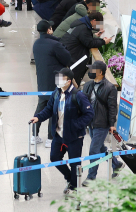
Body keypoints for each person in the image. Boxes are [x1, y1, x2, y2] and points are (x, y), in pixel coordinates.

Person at [30, 67, 93, 195]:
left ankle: (74, 187)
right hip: (59, 135)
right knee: (55, 158)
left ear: (68, 81)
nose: (58, 80)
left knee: (74, 162)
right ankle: (70, 178)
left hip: (74, 136)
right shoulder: (56, 93)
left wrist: (76, 125)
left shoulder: (78, 95)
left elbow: (89, 114)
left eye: (61, 78)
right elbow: (49, 109)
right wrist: (38, 117)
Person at [82, 61, 124, 185]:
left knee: (93, 150)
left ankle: (91, 177)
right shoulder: (87, 85)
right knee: (100, 148)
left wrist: (112, 124)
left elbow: (112, 107)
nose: (90, 72)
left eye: (93, 70)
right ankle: (116, 164)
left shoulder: (110, 88)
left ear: (100, 72)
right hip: (91, 122)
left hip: (102, 123)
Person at [32, 20, 72, 148]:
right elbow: (67, 59)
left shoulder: (36, 44)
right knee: (54, 109)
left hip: (42, 80)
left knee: (41, 106)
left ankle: (34, 135)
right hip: (55, 81)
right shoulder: (55, 44)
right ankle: (50, 138)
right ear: (49, 30)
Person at [59, 12, 111, 86]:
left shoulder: (81, 24)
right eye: (98, 24)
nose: (99, 26)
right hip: (73, 58)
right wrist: (103, 42)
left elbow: (86, 39)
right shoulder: (84, 29)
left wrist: (96, 36)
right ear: (94, 20)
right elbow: (90, 43)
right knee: (72, 81)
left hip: (67, 53)